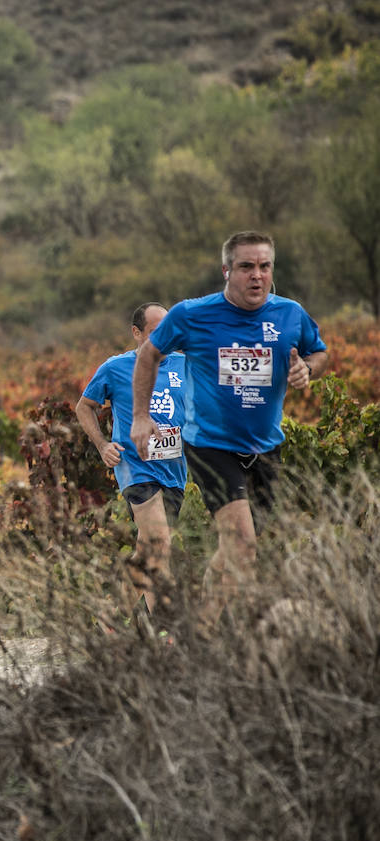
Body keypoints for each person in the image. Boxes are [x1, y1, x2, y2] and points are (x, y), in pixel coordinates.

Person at [130, 231, 328, 629]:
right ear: (226, 271)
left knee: (238, 549)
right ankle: (202, 637)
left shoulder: (290, 314)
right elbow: (149, 355)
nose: (257, 276)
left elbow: (319, 351)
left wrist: (309, 369)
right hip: (210, 444)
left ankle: (201, 622)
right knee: (242, 543)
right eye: (246, 267)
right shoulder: (191, 314)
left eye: (265, 267)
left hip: (266, 447)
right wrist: (139, 417)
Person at [76, 304, 186, 617]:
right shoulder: (115, 368)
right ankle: (165, 628)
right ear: (136, 333)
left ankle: (112, 617)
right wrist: (102, 445)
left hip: (175, 471)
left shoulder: (183, 364)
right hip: (135, 468)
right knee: (159, 542)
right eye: (154, 332)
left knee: (150, 551)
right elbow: (84, 407)